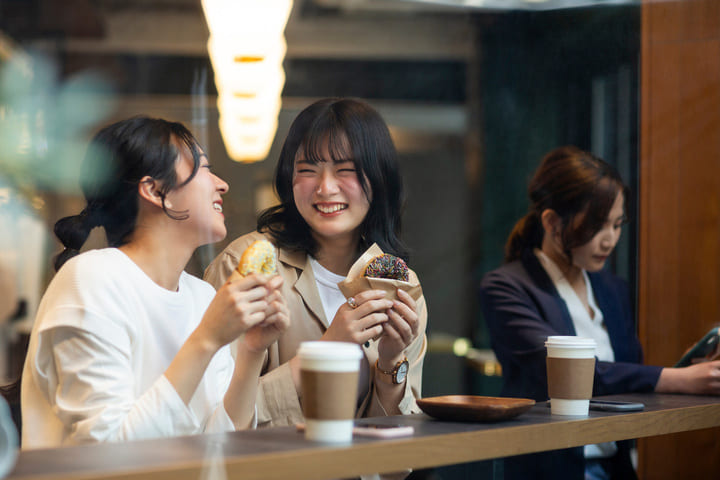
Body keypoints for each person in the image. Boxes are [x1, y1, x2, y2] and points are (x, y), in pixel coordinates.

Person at [21, 116, 290, 449]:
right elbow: (107, 452)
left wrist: (251, 350)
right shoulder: (90, 280)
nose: (222, 184)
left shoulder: (202, 296)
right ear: (154, 190)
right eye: (203, 169)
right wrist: (207, 338)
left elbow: (219, 444)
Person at [479, 145, 720, 480]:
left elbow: (622, 375)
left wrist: (682, 373)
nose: (610, 240)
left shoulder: (611, 289)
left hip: (614, 465)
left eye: (617, 225)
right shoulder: (507, 287)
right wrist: (674, 379)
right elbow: (566, 371)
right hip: (547, 469)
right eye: (597, 226)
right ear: (551, 221)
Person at [204, 97, 427, 430]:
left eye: (346, 170)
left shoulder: (400, 285)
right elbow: (212, 420)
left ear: (379, 179)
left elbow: (395, 462)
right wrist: (328, 347)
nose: (325, 188)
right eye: (307, 170)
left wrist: (391, 361)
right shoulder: (247, 265)